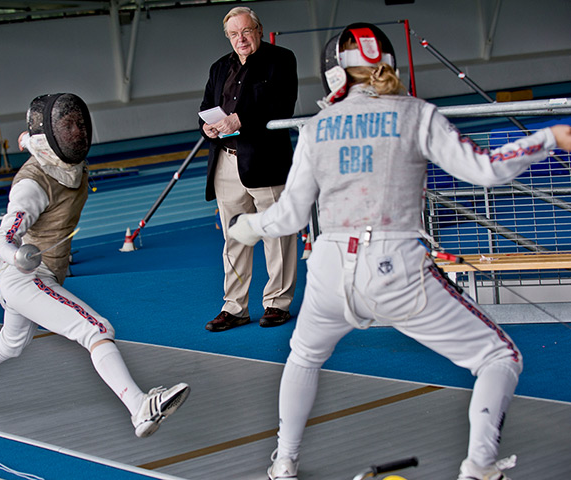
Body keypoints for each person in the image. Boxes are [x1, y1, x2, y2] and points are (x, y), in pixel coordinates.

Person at [228, 23, 571, 480]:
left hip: (329, 267)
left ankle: (284, 462)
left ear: (335, 73)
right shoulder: (417, 114)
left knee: (304, 356)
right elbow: (486, 171)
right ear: (388, 63)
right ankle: (480, 466)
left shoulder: (317, 128)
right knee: (498, 358)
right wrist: (548, 137)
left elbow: (288, 218)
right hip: (396, 268)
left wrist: (248, 225)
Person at [0, 93, 190, 438]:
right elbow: (2, 237)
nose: (78, 132)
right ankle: (139, 407)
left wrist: (26, 138)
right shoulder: (32, 185)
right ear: (50, 137)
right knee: (96, 329)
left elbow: (29, 140)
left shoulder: (57, 158)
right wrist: (16, 256)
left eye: (79, 123)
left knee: (11, 343)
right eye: (68, 126)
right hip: (27, 277)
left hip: (36, 277)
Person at [199, 6, 299, 332]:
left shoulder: (281, 60)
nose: (240, 39)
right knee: (234, 239)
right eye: (233, 34)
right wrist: (208, 127)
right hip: (226, 161)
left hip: (266, 161)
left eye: (245, 31)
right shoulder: (218, 68)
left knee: (277, 235)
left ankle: (277, 303)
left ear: (258, 29)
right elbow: (206, 107)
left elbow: (281, 104)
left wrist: (240, 119)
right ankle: (234, 307)